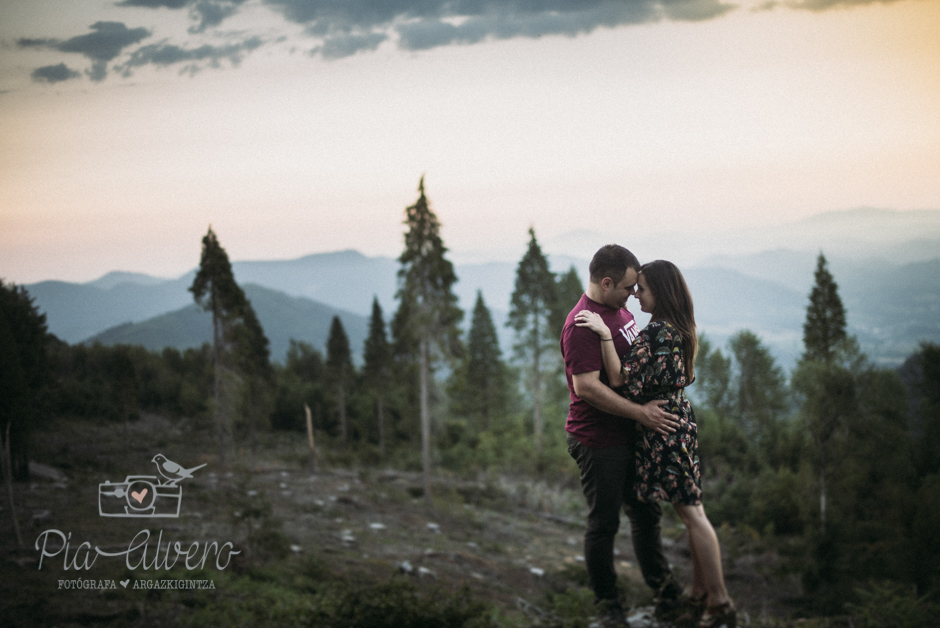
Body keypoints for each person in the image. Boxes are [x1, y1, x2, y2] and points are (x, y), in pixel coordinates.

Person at [574, 259, 736, 628]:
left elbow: (619, 379)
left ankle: (719, 602)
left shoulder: (656, 333)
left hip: (663, 430)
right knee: (691, 513)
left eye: (642, 288)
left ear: (660, 292)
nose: (636, 295)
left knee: (692, 515)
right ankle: (698, 595)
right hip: (679, 423)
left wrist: (604, 335)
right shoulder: (680, 327)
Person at [561, 245, 684, 626]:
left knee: (646, 516)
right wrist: (641, 413)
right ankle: (609, 607)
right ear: (606, 282)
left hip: (633, 436)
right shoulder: (582, 324)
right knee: (604, 525)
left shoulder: (619, 310)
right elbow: (586, 387)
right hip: (600, 441)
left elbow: (626, 371)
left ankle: (668, 597)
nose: (634, 294)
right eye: (629, 287)